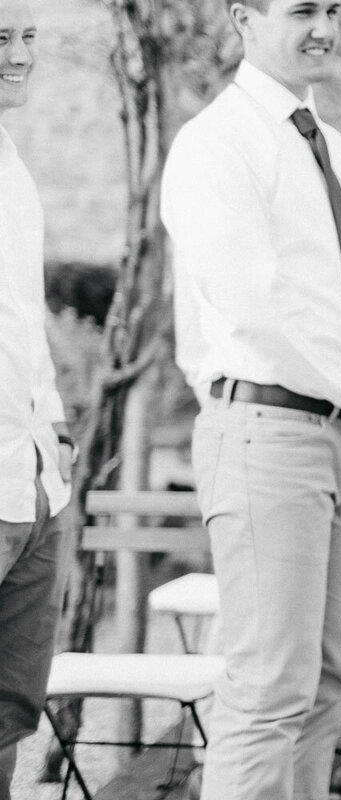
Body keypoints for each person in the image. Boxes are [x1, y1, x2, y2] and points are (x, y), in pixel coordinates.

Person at [160, 1, 341, 797]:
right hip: (268, 430)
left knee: (328, 684)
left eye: (333, 9)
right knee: (269, 690)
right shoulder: (214, 144)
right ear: (244, 18)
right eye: (303, 9)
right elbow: (252, 301)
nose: (324, 27)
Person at [0, 4, 74, 798]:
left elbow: (24, 316)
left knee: (12, 711)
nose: (18, 57)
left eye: (27, 38)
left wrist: (56, 434)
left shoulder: (12, 164)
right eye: (1, 40)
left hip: (33, 483)